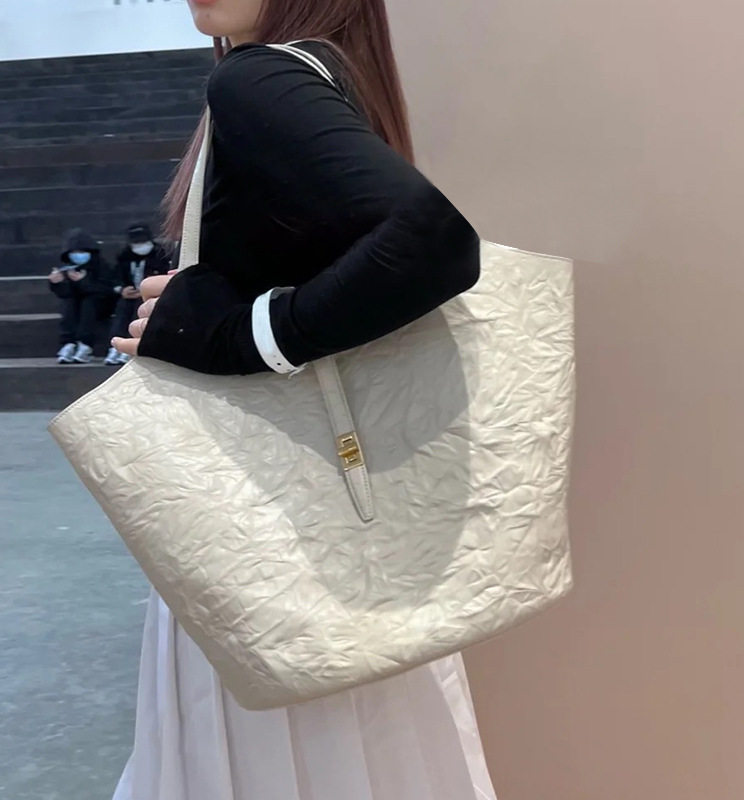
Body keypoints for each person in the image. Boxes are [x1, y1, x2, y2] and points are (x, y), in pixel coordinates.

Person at [111, 1, 497, 799]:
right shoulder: (333, 73)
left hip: (259, 535)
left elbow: (435, 241)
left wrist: (239, 335)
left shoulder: (256, 79)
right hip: (348, 538)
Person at [104, 224, 171, 365]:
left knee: (140, 309)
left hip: (151, 295)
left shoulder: (160, 255)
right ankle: (115, 346)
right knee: (122, 309)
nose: (140, 245)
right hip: (129, 294)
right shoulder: (124, 257)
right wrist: (122, 289)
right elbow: (115, 277)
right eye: (136, 242)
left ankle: (131, 343)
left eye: (142, 242)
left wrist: (147, 290)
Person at [48, 229, 115, 364]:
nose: (78, 255)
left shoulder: (101, 266)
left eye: (82, 251)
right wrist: (57, 283)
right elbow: (66, 293)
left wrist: (83, 281)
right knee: (69, 302)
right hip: (77, 305)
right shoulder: (68, 268)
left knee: (88, 302)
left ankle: (85, 345)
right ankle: (68, 344)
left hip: (101, 304)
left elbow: (105, 290)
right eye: (74, 252)